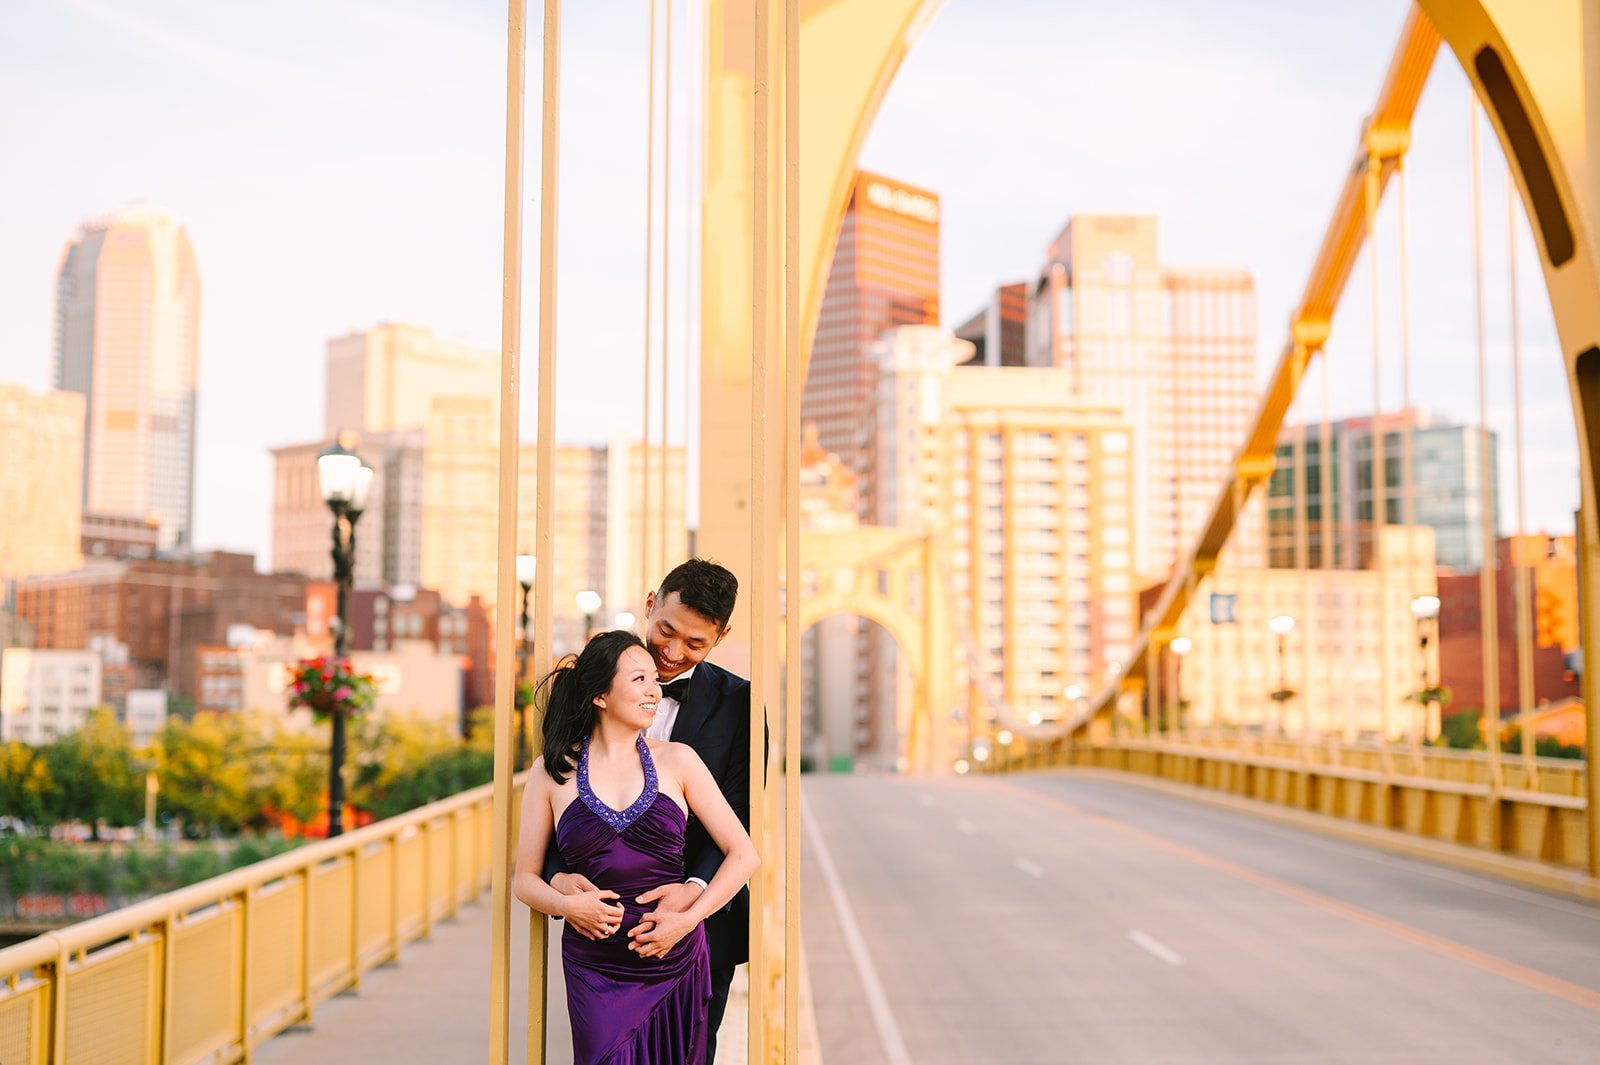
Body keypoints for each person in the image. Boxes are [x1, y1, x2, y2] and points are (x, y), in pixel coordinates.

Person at [513, 629, 759, 1065]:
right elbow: (525, 880)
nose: (654, 690)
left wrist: (688, 920)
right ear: (600, 696)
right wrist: (567, 907)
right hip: (595, 967)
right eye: (639, 680)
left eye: (654, 680)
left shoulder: (679, 759)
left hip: (675, 955)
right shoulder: (550, 772)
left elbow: (744, 855)